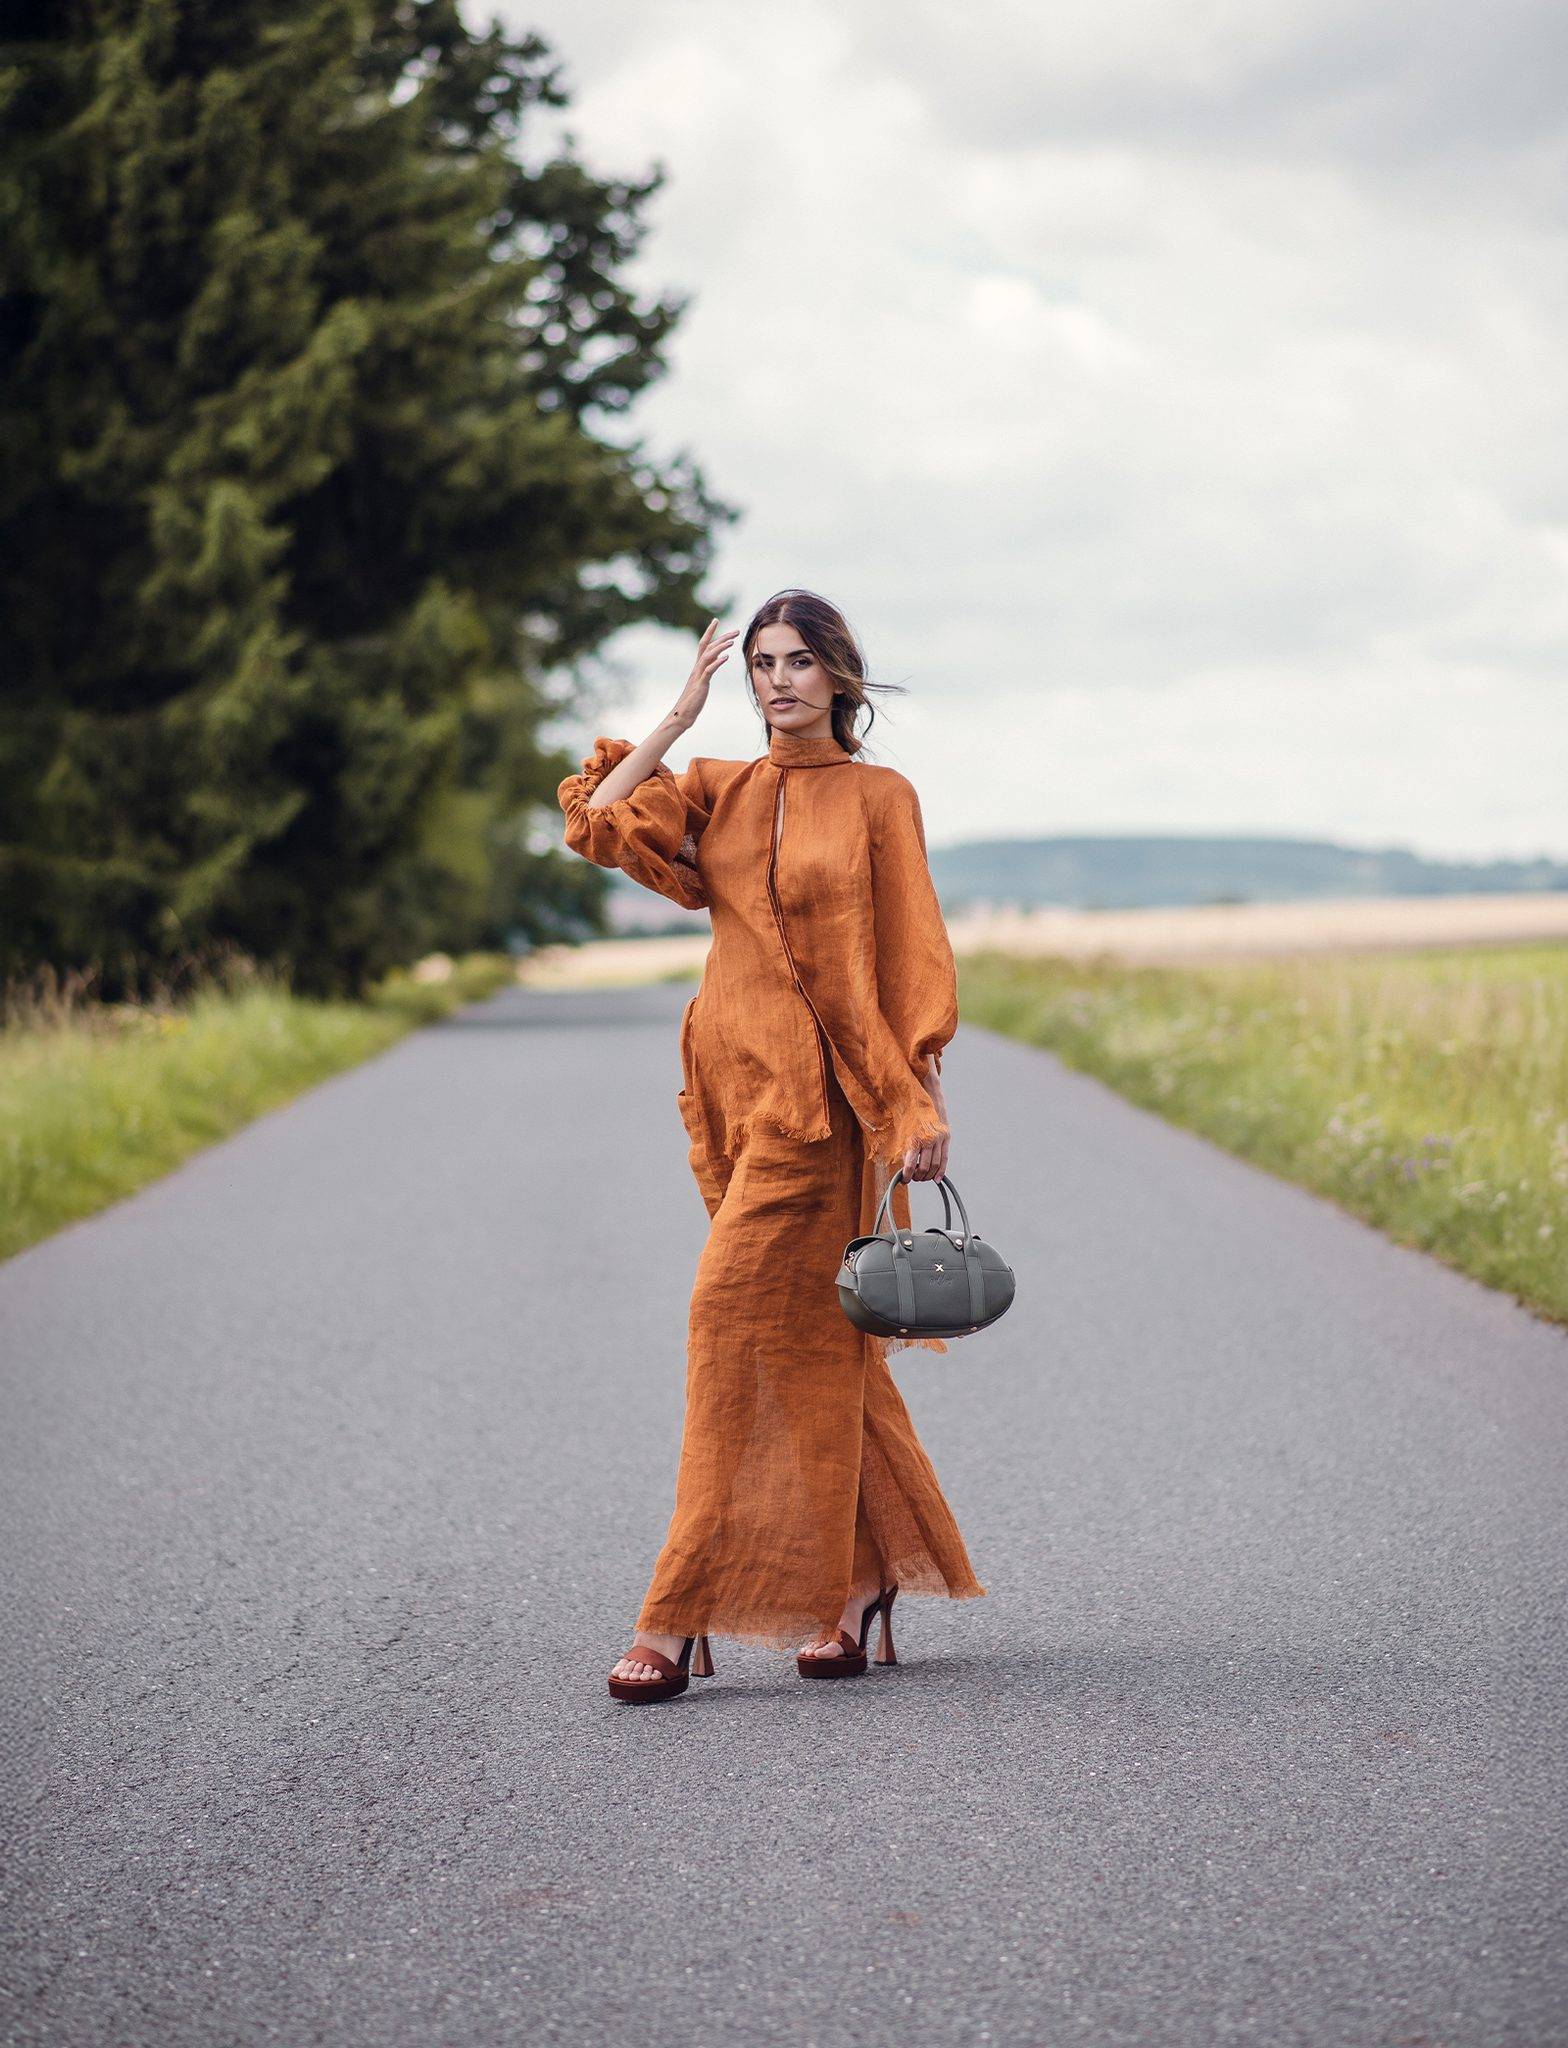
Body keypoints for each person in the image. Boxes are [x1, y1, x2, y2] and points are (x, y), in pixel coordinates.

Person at [557, 588, 984, 1703]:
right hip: (733, 1103)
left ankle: (675, 1611)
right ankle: (862, 1585)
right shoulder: (719, 788)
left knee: (726, 1318)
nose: (777, 680)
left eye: (798, 660)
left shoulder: (882, 797)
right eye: (760, 663)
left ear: (839, 674)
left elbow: (911, 953)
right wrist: (675, 717)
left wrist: (919, 1105)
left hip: (824, 1110)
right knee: (817, 1340)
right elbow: (595, 823)